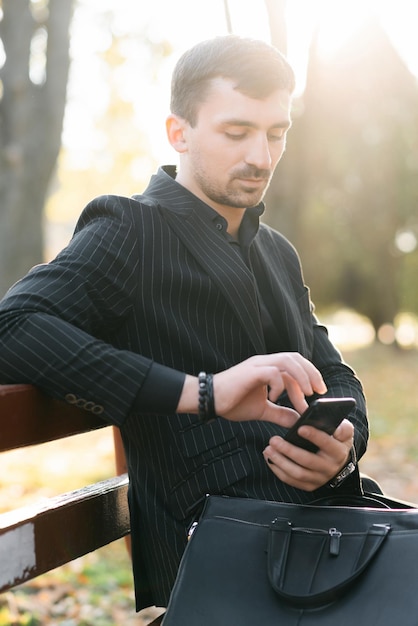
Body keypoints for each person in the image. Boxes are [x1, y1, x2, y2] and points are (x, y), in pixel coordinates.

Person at [0, 35, 368, 615]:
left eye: (277, 133)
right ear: (179, 133)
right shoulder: (129, 229)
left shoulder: (276, 252)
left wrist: (343, 450)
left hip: (331, 539)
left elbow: (335, 373)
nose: (263, 157)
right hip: (225, 566)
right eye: (236, 132)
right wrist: (204, 392)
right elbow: (12, 327)